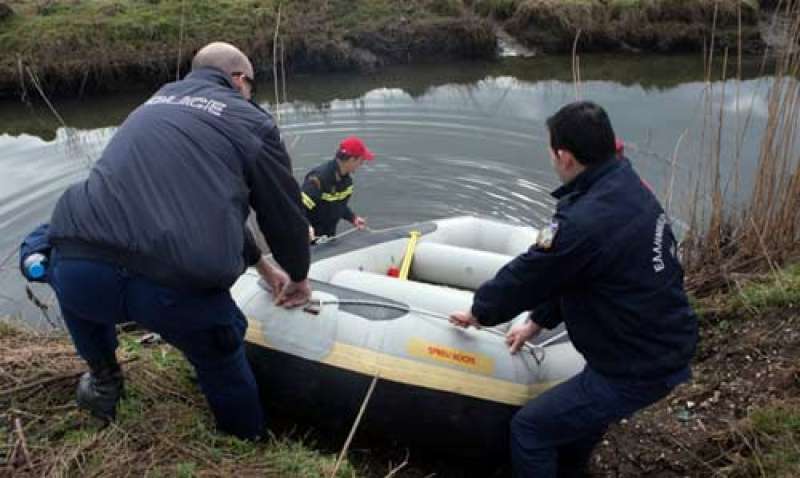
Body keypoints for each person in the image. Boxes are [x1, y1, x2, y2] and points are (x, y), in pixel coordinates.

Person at [45, 42, 312, 440]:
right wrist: (299, 274)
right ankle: (246, 442)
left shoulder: (147, 106)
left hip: (76, 265)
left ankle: (104, 383)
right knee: (222, 358)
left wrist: (263, 265)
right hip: (174, 288)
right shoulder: (250, 121)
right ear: (239, 80)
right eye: (251, 84)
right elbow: (283, 214)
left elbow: (194, 206)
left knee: (83, 300)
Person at [449, 101, 698, 477]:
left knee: (531, 430)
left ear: (564, 157)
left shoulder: (584, 222)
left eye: (551, 151)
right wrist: (537, 322)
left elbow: (530, 273)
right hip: (663, 341)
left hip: (636, 365)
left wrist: (480, 311)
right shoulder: (626, 185)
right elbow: (581, 271)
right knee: (578, 423)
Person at [301, 136, 374, 239]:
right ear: (352, 160)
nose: (361, 165)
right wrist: (306, 226)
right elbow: (298, 207)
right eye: (361, 161)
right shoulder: (318, 179)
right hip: (308, 236)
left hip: (328, 235)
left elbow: (338, 205)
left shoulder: (347, 182)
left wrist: (353, 218)